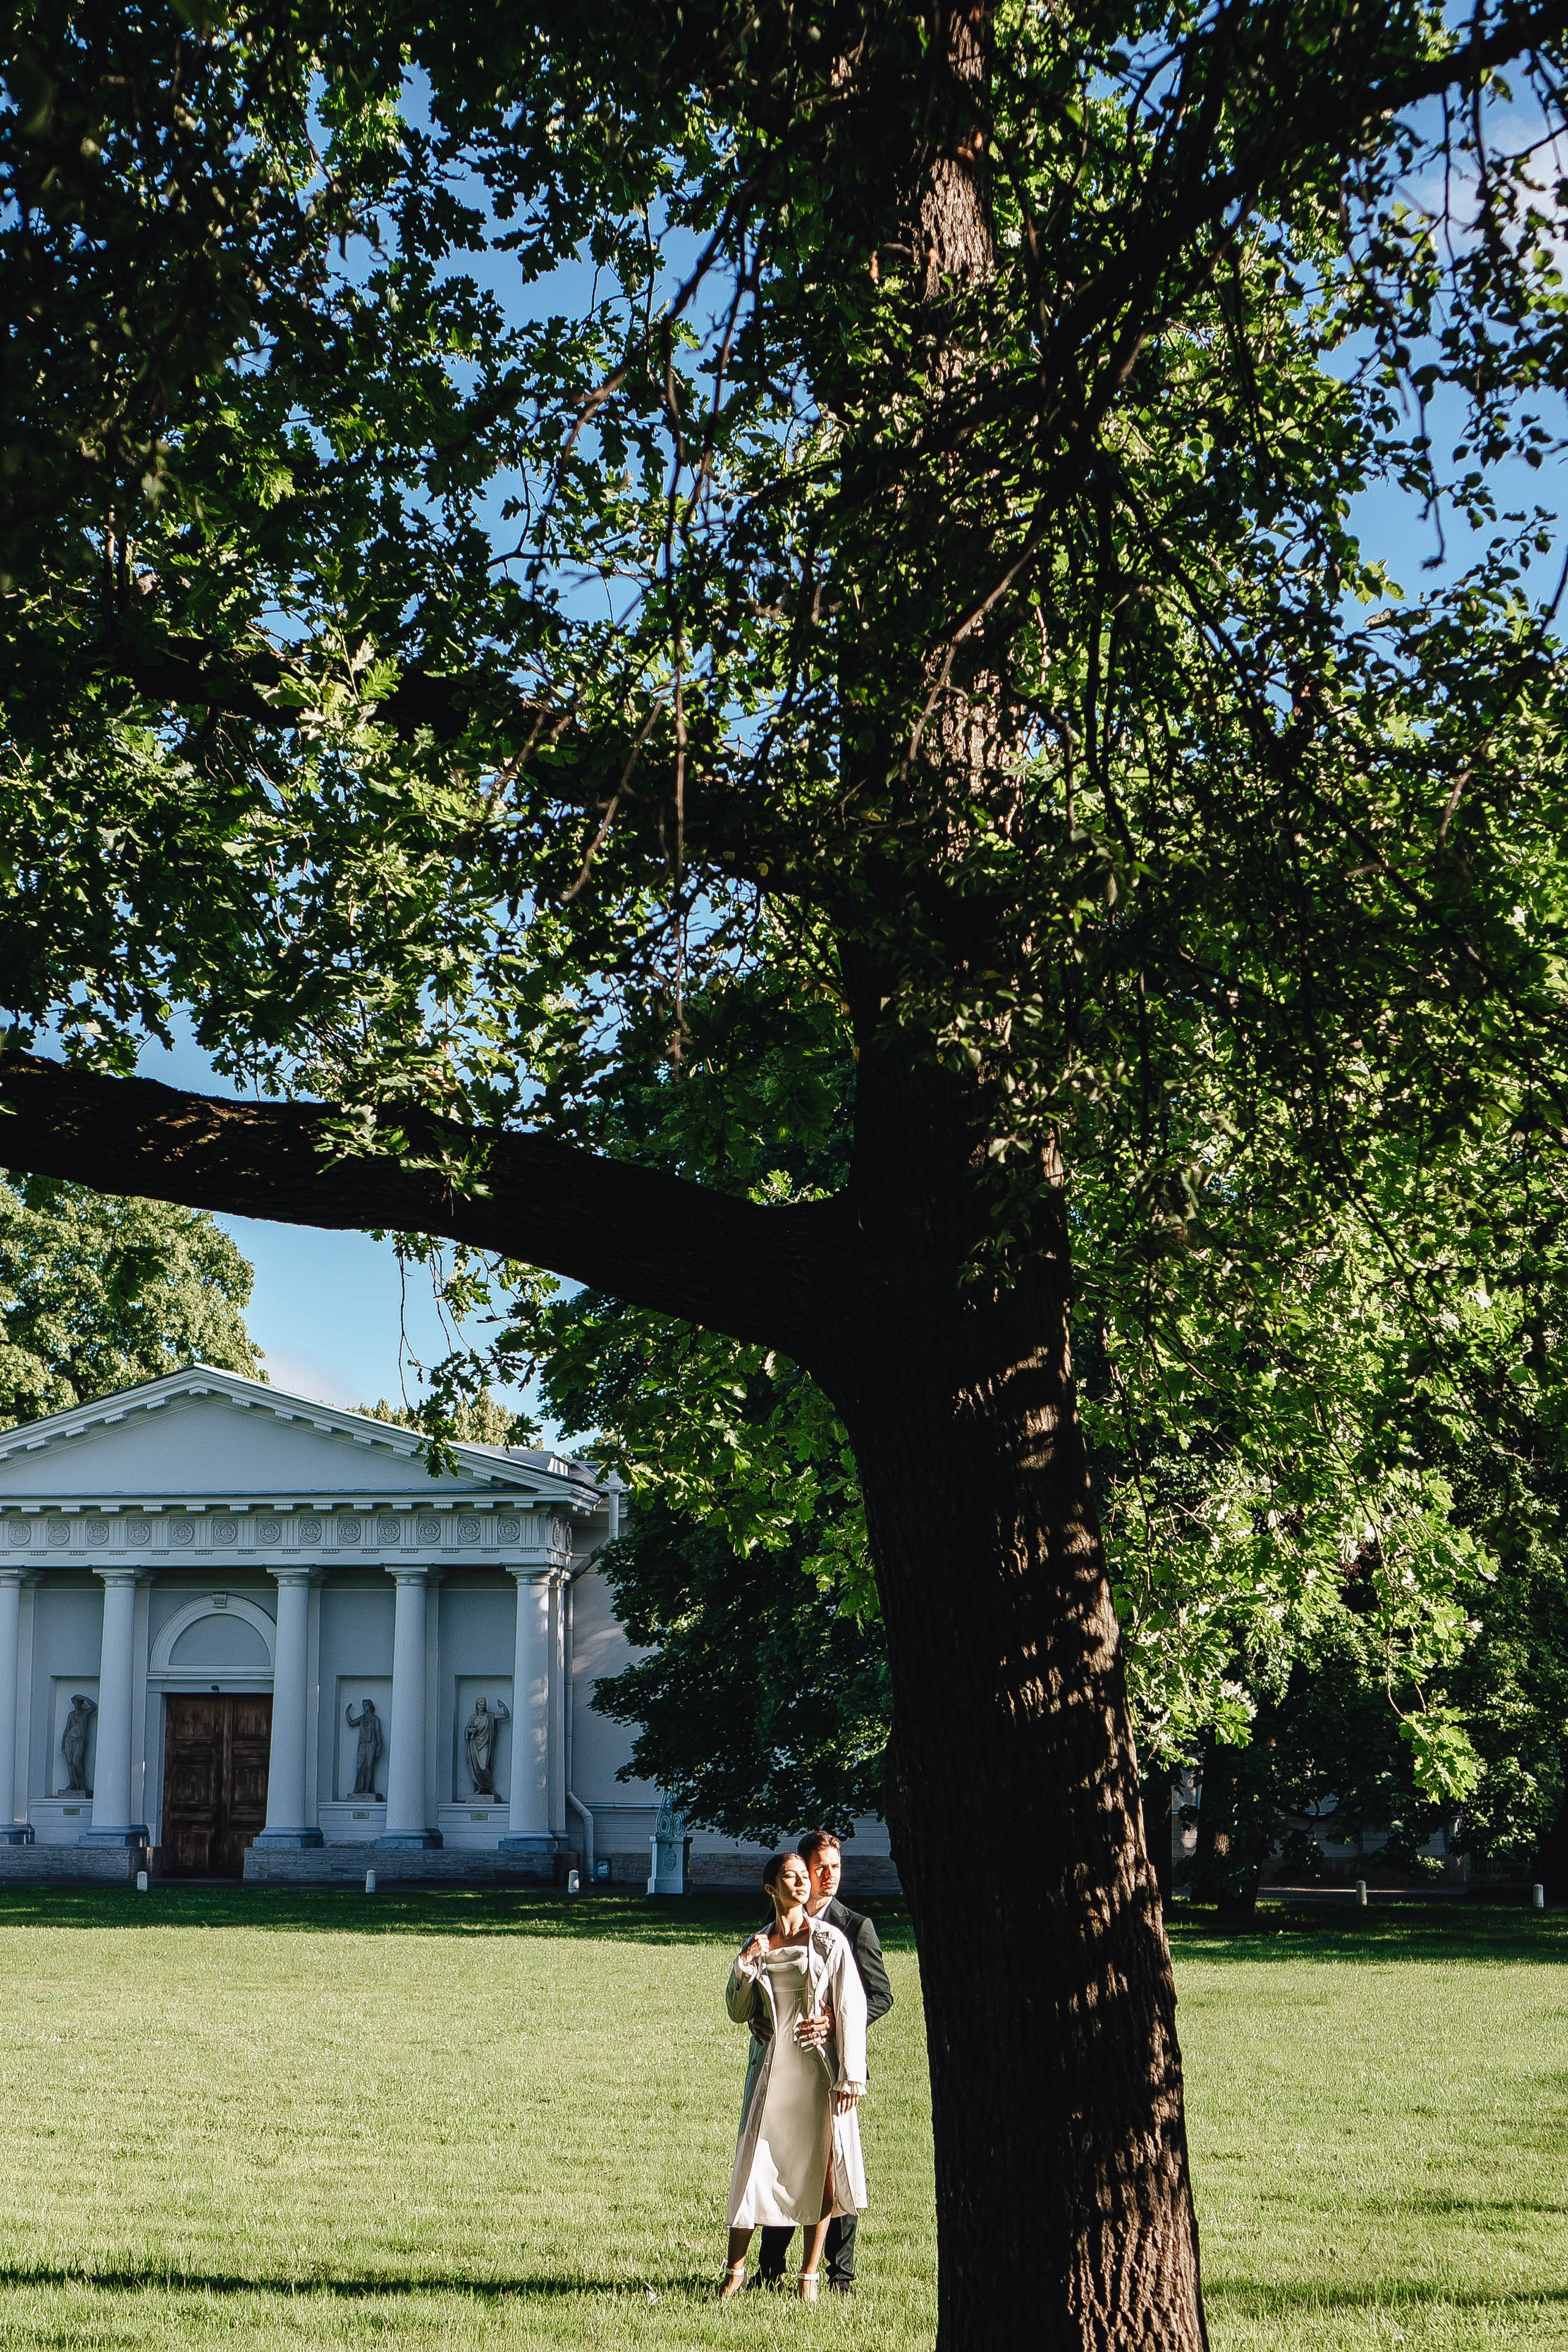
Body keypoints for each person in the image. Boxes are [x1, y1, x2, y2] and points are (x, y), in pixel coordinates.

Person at [720, 1850, 867, 2301]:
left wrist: (851, 2075)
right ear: (772, 1888)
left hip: (815, 2070)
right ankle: (734, 2272)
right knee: (754, 2166)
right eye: (792, 1876)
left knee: (820, 2169)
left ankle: (809, 2278)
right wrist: (746, 1962)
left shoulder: (829, 1941)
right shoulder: (759, 1942)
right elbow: (737, 2010)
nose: (803, 1882)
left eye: (805, 1876)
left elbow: (851, 2006)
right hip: (771, 2069)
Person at [753, 1829, 891, 2293]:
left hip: (836, 2067)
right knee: (784, 2162)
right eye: (819, 1869)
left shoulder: (855, 1927)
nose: (828, 1877)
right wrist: (759, 2015)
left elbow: (880, 1996)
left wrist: (836, 2023)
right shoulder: (778, 1921)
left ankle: (840, 2275)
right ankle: (770, 2269)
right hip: (785, 2067)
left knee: (837, 2166)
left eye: (836, 1867)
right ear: (801, 1872)